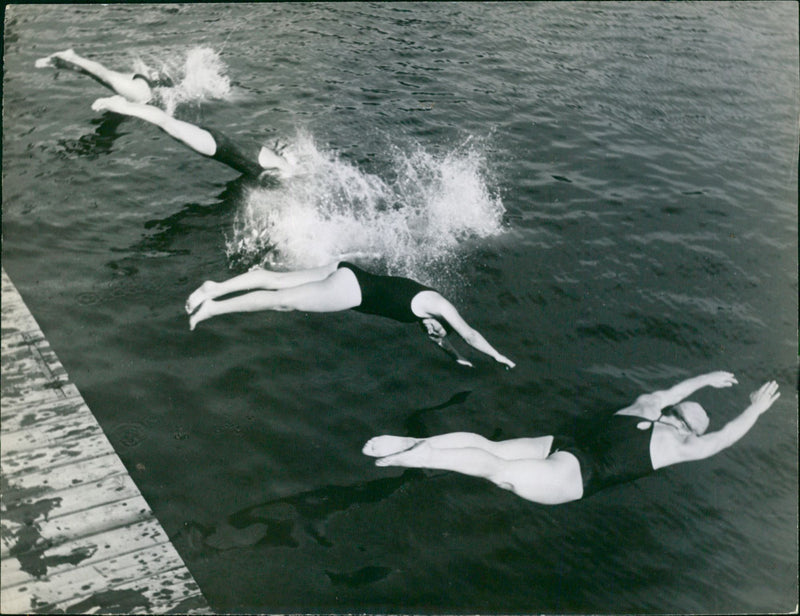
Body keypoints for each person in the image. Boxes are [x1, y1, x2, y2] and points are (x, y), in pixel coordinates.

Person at [363, 372, 780, 504]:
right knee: (500, 471)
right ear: (689, 429)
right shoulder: (680, 445)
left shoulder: (647, 405)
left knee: (490, 448)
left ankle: (413, 443)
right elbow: (724, 438)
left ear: (672, 414)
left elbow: (674, 393)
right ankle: (420, 456)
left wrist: (708, 379)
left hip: (565, 443)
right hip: (577, 474)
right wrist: (755, 410)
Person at [184, 261, 516, 368]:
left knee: (274, 278)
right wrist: (498, 355)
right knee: (282, 300)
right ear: (443, 322)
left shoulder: (427, 308)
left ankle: (214, 287)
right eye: (437, 330)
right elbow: (469, 333)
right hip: (351, 291)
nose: (431, 331)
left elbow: (446, 340)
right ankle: (214, 307)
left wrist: (455, 355)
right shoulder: (440, 306)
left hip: (348, 271)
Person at [91, 95, 293, 181]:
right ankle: (122, 105)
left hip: (216, 141)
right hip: (216, 147)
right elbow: (287, 172)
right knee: (167, 124)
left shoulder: (269, 157)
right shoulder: (275, 164)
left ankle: (127, 106)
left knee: (168, 126)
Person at [35, 48, 171, 104]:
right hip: (142, 92)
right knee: (104, 75)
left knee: (97, 75)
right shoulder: (153, 95)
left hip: (140, 81)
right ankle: (72, 57)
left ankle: (62, 64)